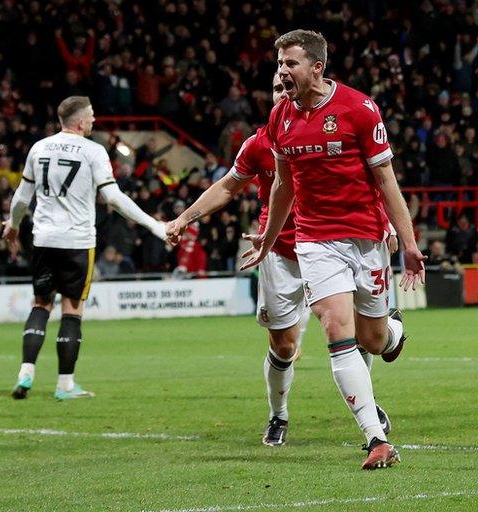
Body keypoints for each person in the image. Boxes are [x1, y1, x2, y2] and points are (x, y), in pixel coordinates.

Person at [167, 75, 392, 446]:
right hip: (281, 254)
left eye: (285, 86)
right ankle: (278, 414)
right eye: (275, 89)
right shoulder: (259, 144)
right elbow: (227, 186)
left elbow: (368, 178)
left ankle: (369, 409)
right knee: (284, 346)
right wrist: (184, 217)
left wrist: (385, 224)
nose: (282, 94)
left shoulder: (330, 128)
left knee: (349, 333)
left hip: (331, 244)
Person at [239, 30, 425, 470]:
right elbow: (283, 185)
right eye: (280, 64)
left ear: (316, 68)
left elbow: (386, 180)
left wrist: (410, 244)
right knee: (335, 330)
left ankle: (392, 332)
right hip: (316, 240)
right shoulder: (280, 117)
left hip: (366, 236)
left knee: (373, 340)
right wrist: (269, 236)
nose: (282, 71)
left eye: (291, 64)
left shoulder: (359, 109)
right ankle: (376, 438)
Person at [3, 95, 168, 400]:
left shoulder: (38, 148)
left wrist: (12, 225)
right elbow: (114, 198)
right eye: (91, 115)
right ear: (79, 121)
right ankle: (65, 385)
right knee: (72, 310)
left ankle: (26, 373)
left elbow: (21, 198)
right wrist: (154, 225)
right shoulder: (93, 151)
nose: (94, 120)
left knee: (40, 304)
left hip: (43, 239)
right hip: (77, 242)